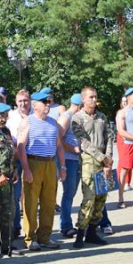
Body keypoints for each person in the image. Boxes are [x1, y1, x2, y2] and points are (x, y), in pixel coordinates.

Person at [17, 91, 66, 251]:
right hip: (33, 162)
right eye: (44, 102)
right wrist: (26, 168)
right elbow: (21, 146)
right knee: (30, 202)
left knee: (49, 202)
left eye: (49, 102)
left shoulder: (53, 122)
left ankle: (45, 237)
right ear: (35, 105)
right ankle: (30, 238)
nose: (48, 105)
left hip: (50, 164)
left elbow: (59, 145)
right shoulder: (27, 122)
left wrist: (63, 166)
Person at [70, 87, 113, 248]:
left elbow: (109, 137)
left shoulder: (102, 117)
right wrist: (102, 158)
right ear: (83, 99)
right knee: (89, 198)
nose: (94, 100)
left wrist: (108, 157)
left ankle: (92, 233)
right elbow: (84, 142)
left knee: (101, 197)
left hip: (104, 161)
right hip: (89, 161)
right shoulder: (77, 118)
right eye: (91, 97)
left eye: (95, 97)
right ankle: (80, 233)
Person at [0, 102, 22, 257]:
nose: (4, 119)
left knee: (8, 212)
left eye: (6, 116)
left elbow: (9, 154)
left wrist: (14, 170)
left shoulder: (6, 132)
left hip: (7, 179)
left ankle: (8, 244)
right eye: (1, 116)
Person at [6, 89, 31, 237]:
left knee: (31, 195)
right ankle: (15, 227)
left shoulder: (36, 115)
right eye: (20, 101)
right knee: (15, 195)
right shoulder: (11, 116)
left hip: (33, 157)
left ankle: (31, 229)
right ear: (16, 102)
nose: (23, 103)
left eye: (25, 100)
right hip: (16, 158)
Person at [58, 94, 82, 238]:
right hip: (69, 160)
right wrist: (73, 149)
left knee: (75, 192)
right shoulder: (66, 117)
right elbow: (58, 139)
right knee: (68, 193)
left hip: (79, 159)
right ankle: (65, 225)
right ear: (79, 105)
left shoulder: (78, 116)